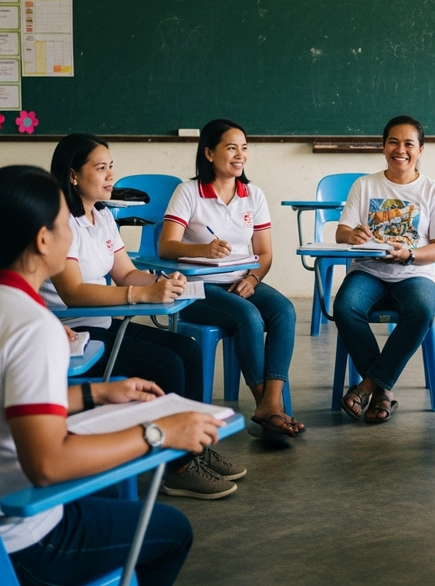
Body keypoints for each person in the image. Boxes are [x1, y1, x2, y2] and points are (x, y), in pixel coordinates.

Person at [0, 165, 222, 585]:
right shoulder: (34, 327)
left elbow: (10, 404)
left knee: (107, 492)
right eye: (65, 223)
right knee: (172, 530)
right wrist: (160, 432)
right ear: (43, 240)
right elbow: (47, 465)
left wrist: (95, 394)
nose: (72, 233)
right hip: (24, 541)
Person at [43, 133, 244, 499]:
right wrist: (140, 294)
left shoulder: (102, 215)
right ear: (73, 175)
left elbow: (124, 273)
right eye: (100, 168)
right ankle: (178, 468)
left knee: (187, 348)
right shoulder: (60, 220)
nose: (110, 176)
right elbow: (73, 292)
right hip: (75, 332)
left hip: (104, 322)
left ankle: (193, 445)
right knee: (166, 364)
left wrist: (162, 281)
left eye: (111, 167)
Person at [159, 118, 303, 443]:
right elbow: (166, 246)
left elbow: (264, 253)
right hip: (197, 287)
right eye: (231, 148)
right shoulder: (188, 192)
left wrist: (253, 278)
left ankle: (272, 403)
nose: (240, 155)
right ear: (209, 153)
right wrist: (203, 249)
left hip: (241, 282)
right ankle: (266, 406)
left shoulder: (253, 195)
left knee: (284, 311)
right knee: (248, 316)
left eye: (244, 148)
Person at [334, 115, 435, 424]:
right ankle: (383, 392)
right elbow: (342, 233)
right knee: (345, 307)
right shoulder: (364, 185)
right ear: (383, 146)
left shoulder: (433, 190)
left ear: (421, 150)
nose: (400, 150)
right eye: (393, 142)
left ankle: (368, 386)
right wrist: (354, 235)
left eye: (408, 144)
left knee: (422, 309)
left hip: (416, 273)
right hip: (369, 271)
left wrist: (410, 254)